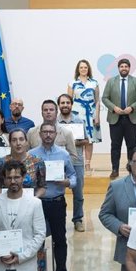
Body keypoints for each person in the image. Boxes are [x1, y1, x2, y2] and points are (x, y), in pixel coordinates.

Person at [29, 123, 76, 271]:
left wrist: (68, 182)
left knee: (60, 238)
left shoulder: (63, 154)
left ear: (56, 134)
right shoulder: (31, 155)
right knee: (36, 239)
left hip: (57, 202)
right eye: (45, 132)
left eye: (51, 132)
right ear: (40, 134)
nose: (48, 135)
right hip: (37, 203)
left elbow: (73, 175)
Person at [101, 58, 136, 179]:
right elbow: (104, 98)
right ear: (118, 68)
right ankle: (115, 169)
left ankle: (132, 169)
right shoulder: (111, 81)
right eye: (122, 66)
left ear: (129, 68)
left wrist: (132, 107)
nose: (124, 68)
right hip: (115, 118)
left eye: (126, 66)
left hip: (131, 118)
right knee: (115, 145)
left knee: (132, 145)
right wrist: (113, 107)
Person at [57, 93, 87, 232]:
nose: (65, 105)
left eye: (67, 103)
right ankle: (59, 220)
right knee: (57, 193)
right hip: (59, 162)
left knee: (78, 194)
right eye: (62, 103)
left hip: (77, 161)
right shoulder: (55, 123)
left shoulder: (79, 121)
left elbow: (86, 140)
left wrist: (74, 142)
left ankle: (78, 219)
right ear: (59, 105)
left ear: (71, 104)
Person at [68, 59, 102, 172]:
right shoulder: (72, 83)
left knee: (89, 140)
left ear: (88, 69)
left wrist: (97, 116)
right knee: (77, 140)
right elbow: (69, 101)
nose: (83, 69)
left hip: (90, 114)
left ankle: (87, 164)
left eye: (85, 67)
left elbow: (97, 101)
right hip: (77, 114)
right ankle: (77, 163)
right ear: (78, 69)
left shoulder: (94, 83)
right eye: (81, 67)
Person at [0, 128, 46, 198]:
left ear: (26, 142)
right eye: (14, 140)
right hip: (7, 204)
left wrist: (34, 199)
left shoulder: (37, 161)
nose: (18, 143)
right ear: (10, 143)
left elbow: (42, 187)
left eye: (21, 139)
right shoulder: (1, 162)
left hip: (30, 204)